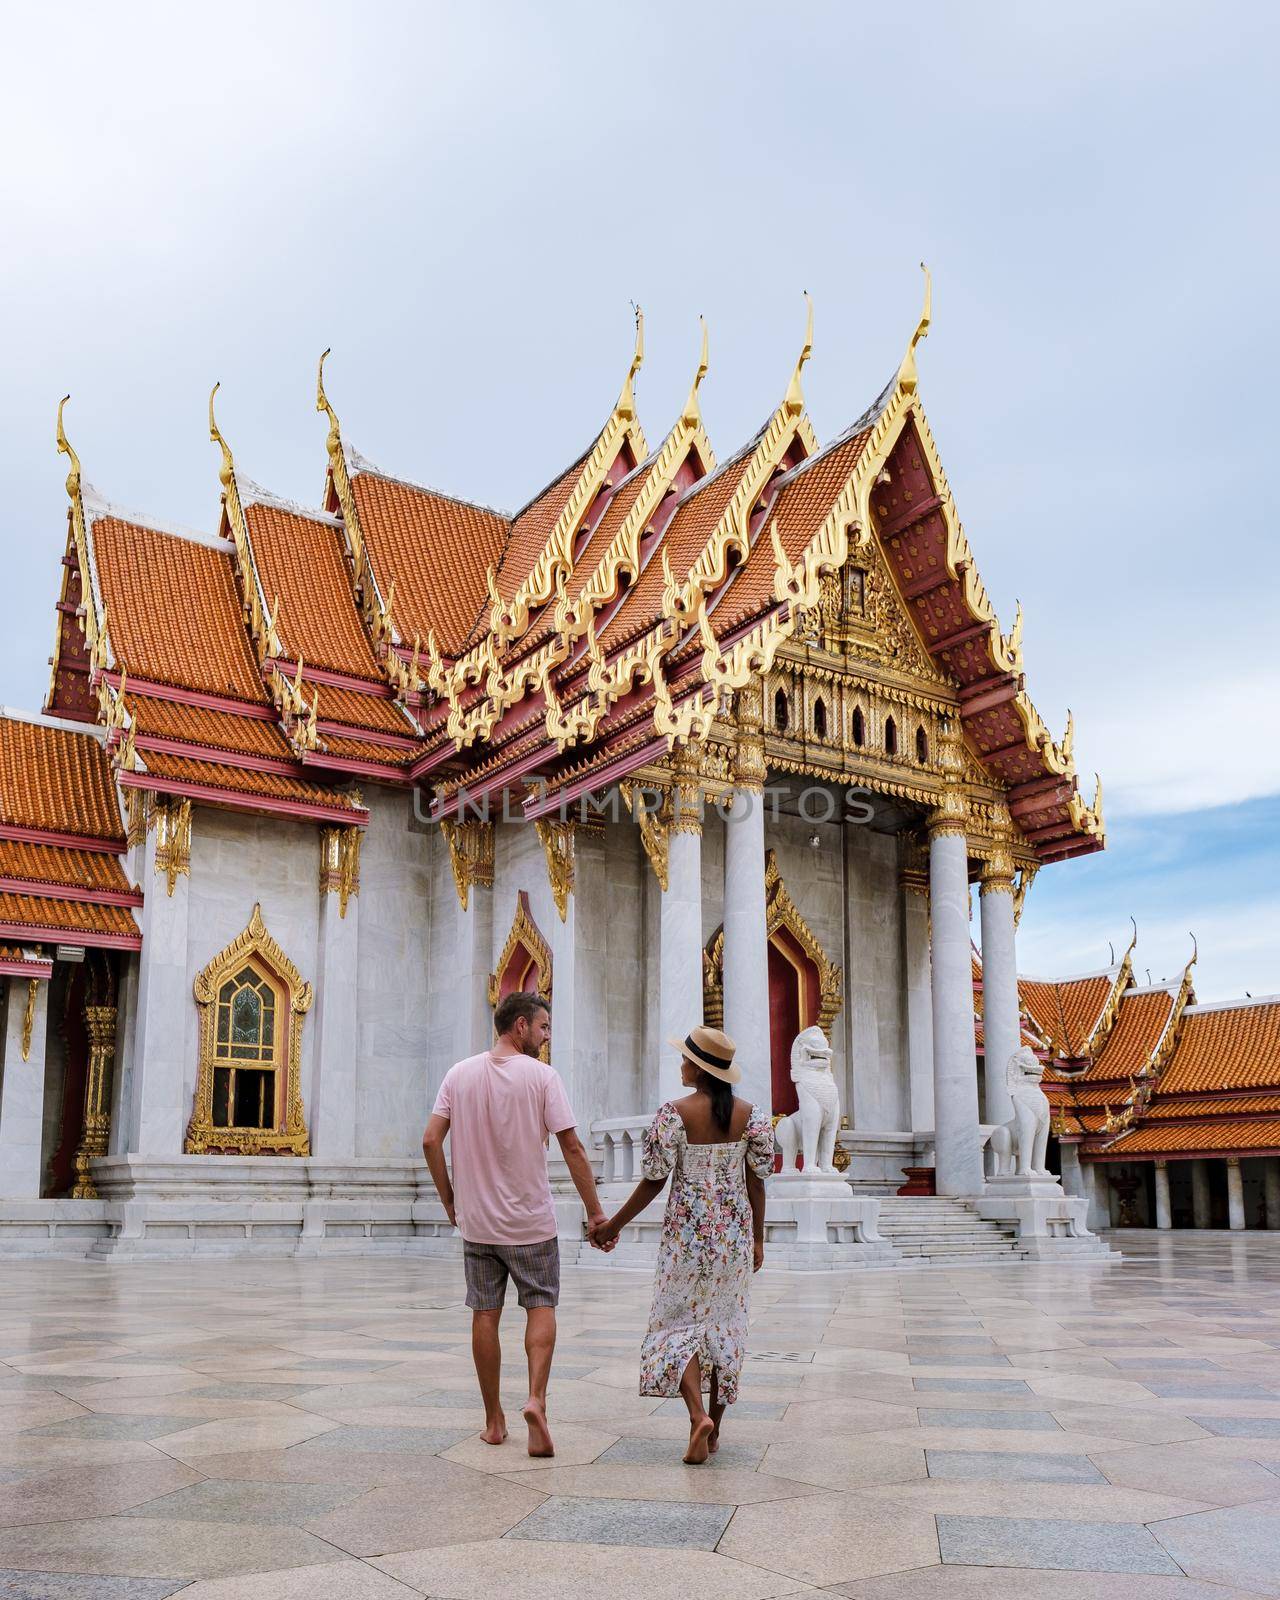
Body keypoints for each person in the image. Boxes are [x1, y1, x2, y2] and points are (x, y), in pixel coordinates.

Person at [422, 991, 610, 1458]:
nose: (547, 1038)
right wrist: (596, 1212)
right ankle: (536, 1400)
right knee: (540, 1304)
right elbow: (572, 1148)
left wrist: (451, 1200)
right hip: (530, 1223)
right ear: (521, 1026)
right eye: (544, 1028)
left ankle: (492, 1421)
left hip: (478, 1223)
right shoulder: (542, 1077)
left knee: (485, 1313)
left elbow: (430, 1140)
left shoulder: (458, 1074)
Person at [591, 1025, 774, 1464]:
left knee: (675, 1325)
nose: (681, 1065)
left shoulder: (674, 1114)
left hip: (686, 1240)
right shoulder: (752, 1116)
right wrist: (758, 1238)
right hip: (731, 1237)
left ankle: (696, 1416)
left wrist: (611, 1225)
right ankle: (714, 1433)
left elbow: (653, 1182)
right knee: (725, 1327)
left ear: (698, 1068)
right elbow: (757, 1184)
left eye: (685, 1059)